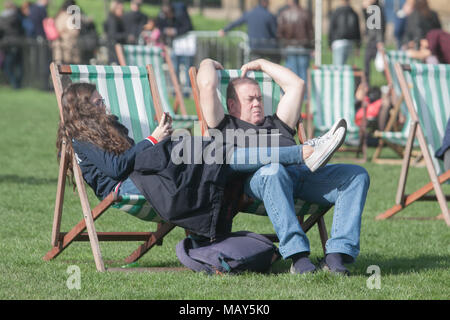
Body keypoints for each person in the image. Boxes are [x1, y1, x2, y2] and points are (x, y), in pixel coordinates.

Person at [58, 82, 346, 242]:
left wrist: (159, 143)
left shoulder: (110, 127)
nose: (103, 105)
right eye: (97, 103)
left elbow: (133, 157)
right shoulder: (79, 138)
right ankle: (303, 153)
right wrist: (153, 140)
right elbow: (116, 168)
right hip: (134, 184)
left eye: (101, 100)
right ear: (82, 109)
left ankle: (304, 153)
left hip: (150, 172)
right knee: (217, 154)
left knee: (216, 151)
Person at [196, 58, 370, 275]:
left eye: (259, 98)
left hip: (302, 174)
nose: (257, 103)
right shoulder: (224, 126)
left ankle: (336, 255)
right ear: (232, 105)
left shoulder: (278, 122)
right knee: (274, 170)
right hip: (263, 179)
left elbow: (297, 85)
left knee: (356, 175)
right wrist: (207, 62)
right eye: (250, 99)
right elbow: (205, 85)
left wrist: (261, 63)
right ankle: (298, 257)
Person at [276, 0, 314, 88]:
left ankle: (292, 93)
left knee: (291, 74)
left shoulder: (284, 13)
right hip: (303, 47)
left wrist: (283, 44)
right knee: (303, 74)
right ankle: (304, 97)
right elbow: (311, 32)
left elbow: (279, 33)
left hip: (290, 47)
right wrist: (312, 47)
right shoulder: (305, 13)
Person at [328, 0, 361, 66]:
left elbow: (331, 28)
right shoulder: (354, 13)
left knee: (338, 67)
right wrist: (358, 46)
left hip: (338, 42)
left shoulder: (336, 12)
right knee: (348, 68)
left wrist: (330, 43)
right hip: (350, 42)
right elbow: (357, 31)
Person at [0, 1, 23, 89]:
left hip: (7, 44)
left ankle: (15, 84)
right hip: (18, 42)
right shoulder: (17, 17)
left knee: (8, 66)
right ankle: (17, 83)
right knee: (18, 65)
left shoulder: (2, 18)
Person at [362, 0, 386, 86]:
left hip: (375, 41)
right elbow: (367, 21)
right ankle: (366, 85)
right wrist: (364, 9)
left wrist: (380, 40)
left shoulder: (377, 9)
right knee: (367, 63)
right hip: (371, 40)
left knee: (381, 65)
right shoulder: (371, 8)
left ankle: (392, 82)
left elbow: (380, 26)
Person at [52, 0, 81, 64]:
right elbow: (73, 31)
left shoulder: (59, 15)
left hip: (59, 46)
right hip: (67, 47)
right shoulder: (68, 17)